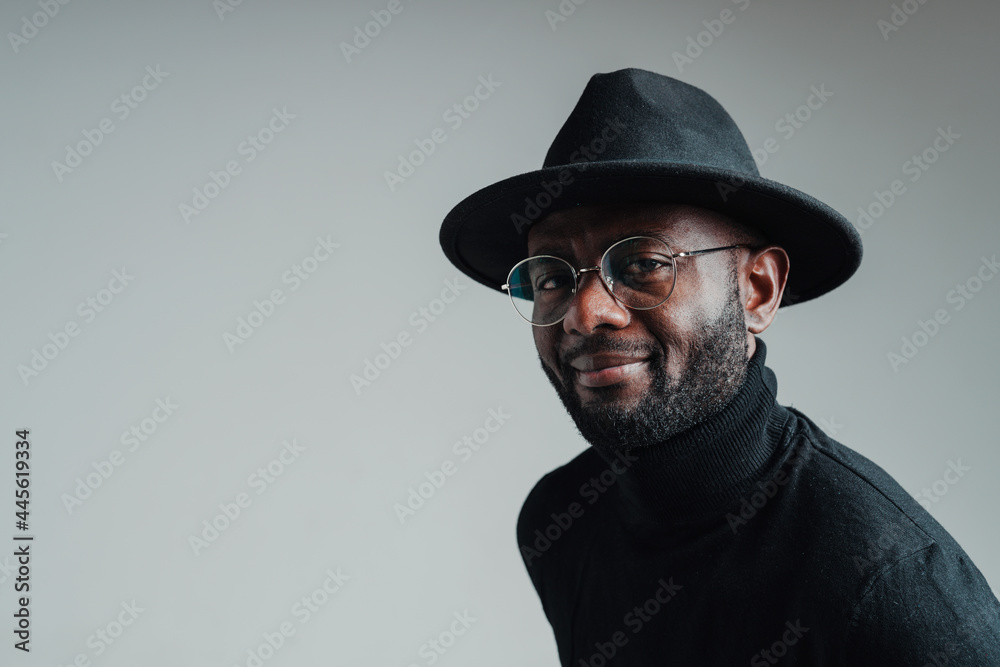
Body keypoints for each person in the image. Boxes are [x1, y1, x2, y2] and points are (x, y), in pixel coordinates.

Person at [439, 68, 1000, 665]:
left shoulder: (890, 586)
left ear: (757, 290)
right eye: (552, 277)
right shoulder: (560, 523)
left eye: (642, 264)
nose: (585, 312)